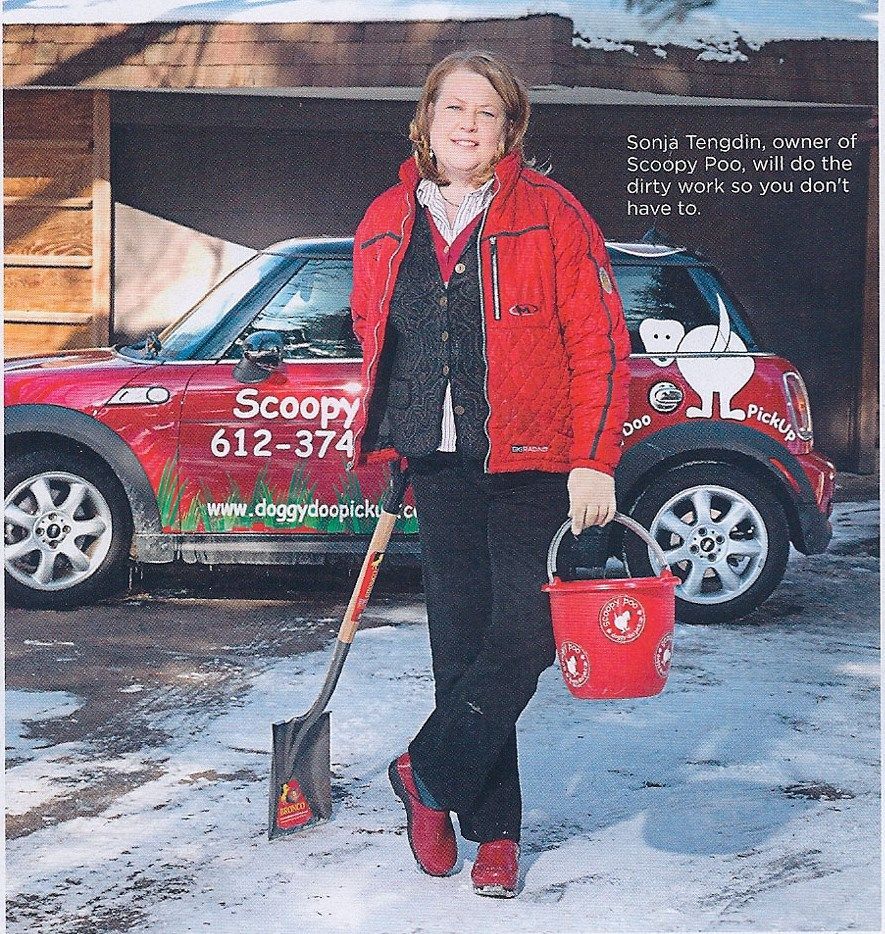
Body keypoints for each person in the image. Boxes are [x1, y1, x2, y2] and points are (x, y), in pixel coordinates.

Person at [349, 49, 631, 897]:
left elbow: (600, 344)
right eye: (453, 109)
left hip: (534, 465)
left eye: (486, 113)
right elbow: (377, 341)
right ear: (426, 119)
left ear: (510, 130)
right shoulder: (384, 218)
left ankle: (424, 775)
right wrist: (391, 439)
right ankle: (495, 833)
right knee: (458, 649)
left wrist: (593, 459)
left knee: (527, 636)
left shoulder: (552, 215)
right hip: (437, 465)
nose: (467, 126)